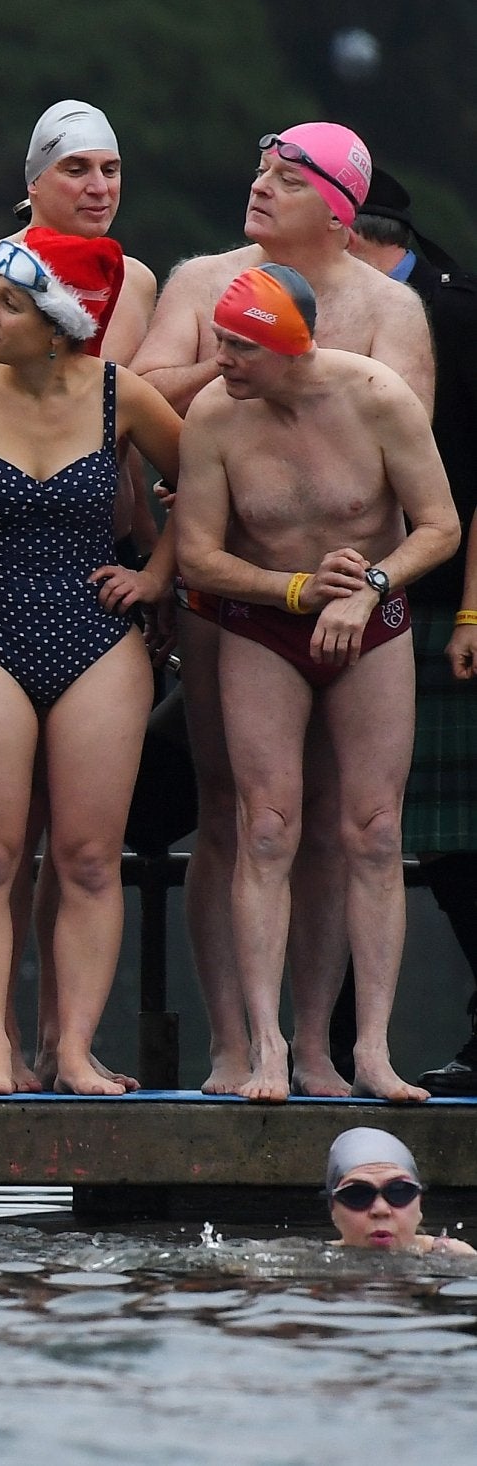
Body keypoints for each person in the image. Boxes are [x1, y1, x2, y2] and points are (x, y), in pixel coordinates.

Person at [133, 123, 436, 1095]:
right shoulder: (201, 285)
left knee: (357, 826)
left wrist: (299, 364)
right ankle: (237, 1041)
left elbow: (406, 475)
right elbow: (137, 401)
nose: (259, 186)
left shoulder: (390, 316)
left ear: (339, 209)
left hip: (359, 601)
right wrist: (255, 358)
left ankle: (323, 1046)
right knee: (240, 816)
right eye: (259, 169)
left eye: (286, 176)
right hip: (233, 596)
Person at [0, 230, 185, 1095]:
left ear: (60, 325)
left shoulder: (120, 395)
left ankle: (71, 1051)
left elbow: (205, 485)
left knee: (89, 859)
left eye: (10, 305)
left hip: (96, 636)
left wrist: (157, 576)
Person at [176, 264, 457, 1103]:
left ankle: (360, 1050)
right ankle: (267, 1048)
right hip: (263, 623)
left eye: (237, 345)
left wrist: (368, 586)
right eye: (219, 339)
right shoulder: (215, 417)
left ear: (288, 349)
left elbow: (439, 525)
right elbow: (196, 554)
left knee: (371, 830)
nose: (218, 357)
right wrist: (295, 590)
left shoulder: (376, 398)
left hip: (372, 624)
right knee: (266, 827)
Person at [354, 171, 477, 1095]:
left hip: (451, 592)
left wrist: (472, 608)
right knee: (364, 823)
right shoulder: (317, 308)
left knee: (453, 830)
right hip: (341, 583)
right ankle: (330, 1041)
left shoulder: (457, 311)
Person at [0, 102, 160, 363]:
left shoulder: (137, 281)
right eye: (76, 170)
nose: (100, 187)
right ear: (34, 181)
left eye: (110, 170)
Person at [323, 1127, 473, 1254]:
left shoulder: (455, 1256)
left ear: (419, 1204)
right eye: (358, 1194)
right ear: (333, 1210)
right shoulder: (316, 1264)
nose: (381, 1209)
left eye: (399, 1191)